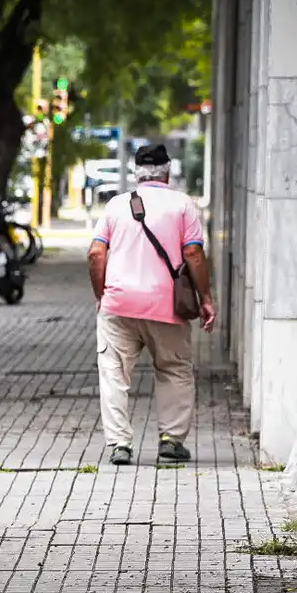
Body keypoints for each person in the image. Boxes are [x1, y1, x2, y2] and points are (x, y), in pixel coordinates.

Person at [87, 144, 217, 467]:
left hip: (118, 305)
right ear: (168, 171)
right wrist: (206, 299)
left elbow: (95, 254)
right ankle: (171, 441)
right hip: (166, 306)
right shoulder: (183, 205)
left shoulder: (116, 206)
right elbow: (194, 254)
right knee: (174, 369)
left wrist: (101, 294)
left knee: (114, 373)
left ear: (136, 174)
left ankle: (119, 444)